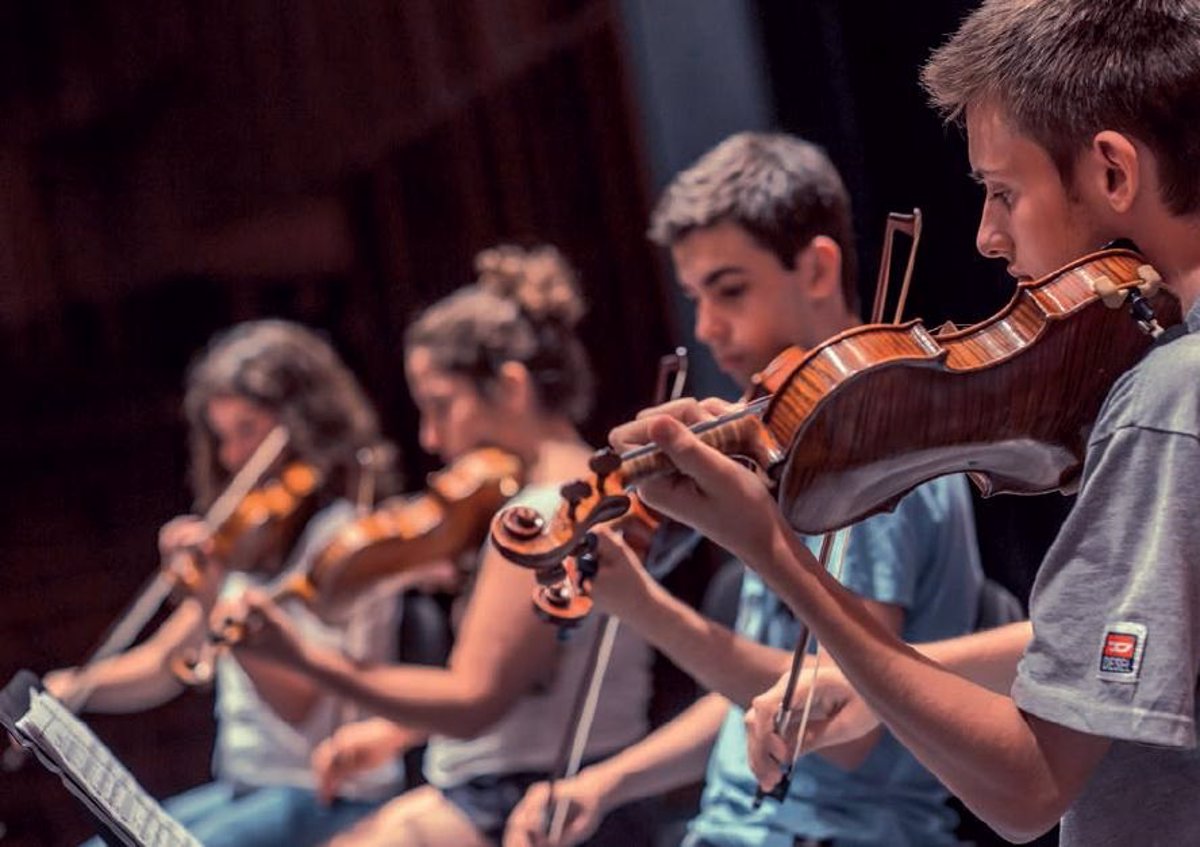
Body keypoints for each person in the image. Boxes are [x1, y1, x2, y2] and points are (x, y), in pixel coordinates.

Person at [624, 3, 1200, 846]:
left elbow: (1028, 783)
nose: (988, 236)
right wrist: (869, 679)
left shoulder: (1168, 401)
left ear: (1113, 172)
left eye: (1005, 192)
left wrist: (774, 551)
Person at [503, 133, 987, 847]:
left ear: (817, 268)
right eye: (695, 297)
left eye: (730, 290)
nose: (706, 328)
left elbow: (838, 720)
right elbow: (762, 697)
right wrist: (605, 782)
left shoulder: (874, 455)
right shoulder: (784, 452)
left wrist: (647, 608)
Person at [223, 245, 655, 846]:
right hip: (549, 790)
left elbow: (474, 700)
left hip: (528, 802)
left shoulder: (540, 510)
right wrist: (399, 732)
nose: (430, 438)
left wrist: (305, 659)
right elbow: (535, 683)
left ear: (510, 386)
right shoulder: (589, 483)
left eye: (441, 406)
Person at [45, 319, 407, 847]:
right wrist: (71, 689)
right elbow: (168, 663)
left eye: (248, 430)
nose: (233, 457)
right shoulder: (251, 539)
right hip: (248, 788)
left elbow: (299, 703)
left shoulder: (345, 537)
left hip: (326, 795)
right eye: (222, 437)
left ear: (305, 422)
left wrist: (215, 597)